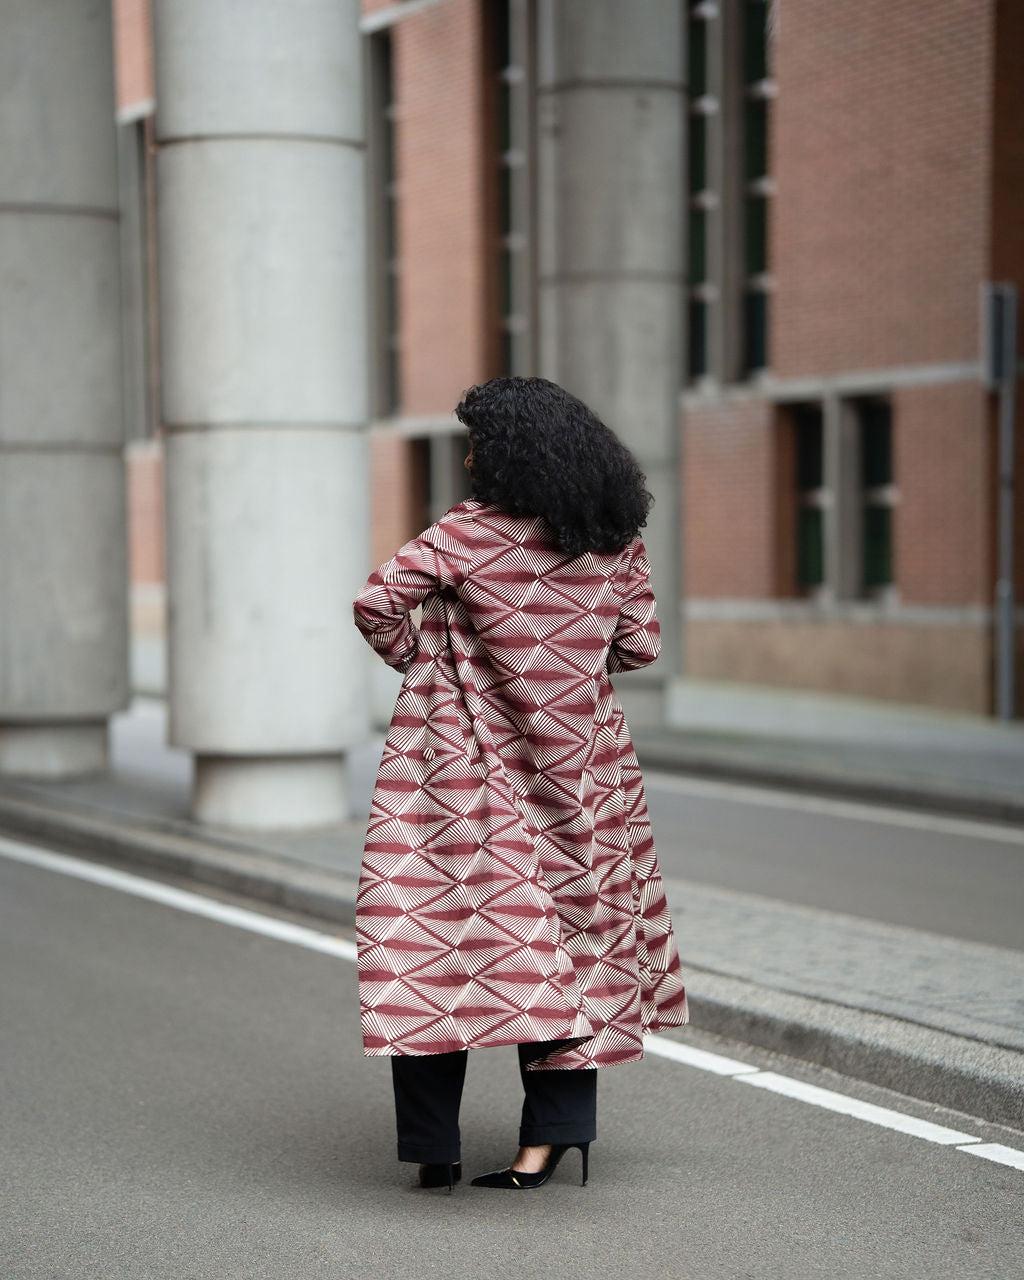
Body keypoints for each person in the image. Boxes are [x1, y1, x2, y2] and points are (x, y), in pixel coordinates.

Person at [352, 376, 688, 1192]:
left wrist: (435, 659)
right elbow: (639, 643)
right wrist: (565, 666)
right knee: (575, 945)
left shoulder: (466, 537)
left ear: (507, 453)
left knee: (433, 945)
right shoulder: (614, 537)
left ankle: (435, 1150)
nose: (467, 457)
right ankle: (550, 1143)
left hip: (463, 774)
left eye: (475, 442)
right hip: (586, 777)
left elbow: (375, 606)